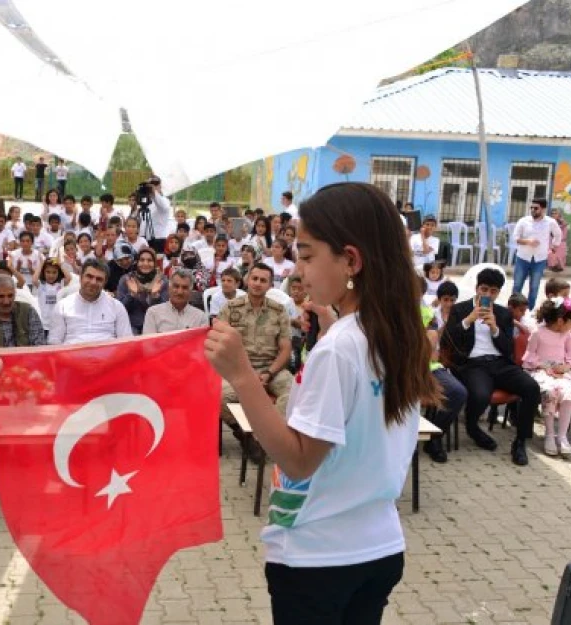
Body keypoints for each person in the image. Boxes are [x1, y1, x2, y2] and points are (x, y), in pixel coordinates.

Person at [205, 183, 437, 623]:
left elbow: (298, 461)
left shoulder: (340, 350)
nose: (299, 270)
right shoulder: (395, 333)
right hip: (379, 546)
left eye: (308, 256)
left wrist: (240, 375)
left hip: (319, 557)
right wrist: (335, 328)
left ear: (350, 260)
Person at [440, 267, 541, 465]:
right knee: (480, 395)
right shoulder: (460, 309)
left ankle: (520, 441)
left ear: (498, 293)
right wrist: (468, 321)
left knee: (531, 388)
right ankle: (472, 426)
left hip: (500, 363)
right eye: (484, 289)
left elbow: (508, 349)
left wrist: (495, 328)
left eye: (493, 291)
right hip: (472, 364)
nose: (487, 294)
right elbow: (447, 341)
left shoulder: (503, 314)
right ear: (477, 288)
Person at [216, 264, 293, 433]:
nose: (258, 283)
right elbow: (220, 344)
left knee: (294, 393)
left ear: (270, 285)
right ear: (247, 280)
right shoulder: (230, 308)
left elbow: (286, 349)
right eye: (254, 278)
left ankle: (271, 435)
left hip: (272, 370)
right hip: (239, 369)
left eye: (263, 280)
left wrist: (269, 373)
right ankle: (249, 434)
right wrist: (243, 371)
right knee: (219, 397)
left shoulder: (279, 311)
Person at [522, 297, 571, 457]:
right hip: (541, 371)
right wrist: (545, 367)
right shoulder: (538, 333)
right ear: (560, 321)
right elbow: (529, 357)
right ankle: (550, 434)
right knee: (550, 391)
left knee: (567, 392)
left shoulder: (567, 335)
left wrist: (566, 367)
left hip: (561, 371)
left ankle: (562, 435)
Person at [424, 281, 467, 463]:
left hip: (434, 363)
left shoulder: (429, 314)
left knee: (458, 392)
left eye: (452, 300)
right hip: (405, 367)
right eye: (445, 300)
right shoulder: (432, 314)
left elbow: (436, 352)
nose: (449, 304)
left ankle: (434, 437)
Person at [48, 259, 132, 345]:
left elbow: (126, 341)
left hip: (107, 356)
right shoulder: (63, 306)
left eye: (99, 279)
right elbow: (54, 342)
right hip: (72, 356)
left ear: (105, 283)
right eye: (89, 276)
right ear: (81, 277)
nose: (93, 282)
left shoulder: (116, 307)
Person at [511, 198, 562, 310]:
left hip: (539, 259)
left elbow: (558, 234)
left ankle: (529, 311)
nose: (533, 210)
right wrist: (528, 241)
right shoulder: (524, 221)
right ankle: (513, 309)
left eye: (536, 208)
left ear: (543, 209)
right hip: (523, 258)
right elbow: (515, 238)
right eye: (532, 208)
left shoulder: (550, 222)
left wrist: (553, 247)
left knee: (534, 287)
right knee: (517, 285)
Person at [0, 274, 45, 348]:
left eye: (10, 296)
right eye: (1, 296)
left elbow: (39, 346)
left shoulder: (28, 312)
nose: (6, 302)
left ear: (15, 294)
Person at [116, 247, 168, 335]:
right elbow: (119, 309)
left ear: (154, 263)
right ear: (137, 262)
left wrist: (155, 296)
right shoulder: (127, 279)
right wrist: (131, 295)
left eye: (150, 260)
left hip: (155, 325)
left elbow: (165, 310)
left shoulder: (161, 281)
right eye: (142, 260)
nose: (145, 263)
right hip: (132, 325)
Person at [142, 268, 208, 334]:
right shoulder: (153, 313)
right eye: (176, 286)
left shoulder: (200, 317)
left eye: (185, 288)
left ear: (190, 292)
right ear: (169, 288)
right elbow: (148, 342)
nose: (180, 292)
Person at [547, 207, 569, 272]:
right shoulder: (548, 222)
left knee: (560, 256)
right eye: (552, 213)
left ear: (559, 214)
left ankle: (559, 267)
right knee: (551, 255)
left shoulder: (563, 223)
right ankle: (552, 266)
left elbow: (564, 232)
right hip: (551, 241)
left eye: (556, 213)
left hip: (561, 241)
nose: (554, 215)